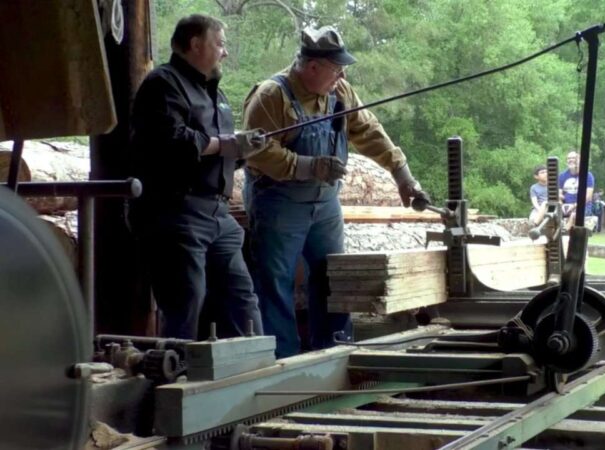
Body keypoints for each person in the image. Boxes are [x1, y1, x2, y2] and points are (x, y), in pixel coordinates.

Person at [242, 26, 430, 358]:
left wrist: (403, 176)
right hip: (279, 202)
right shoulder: (272, 96)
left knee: (332, 278)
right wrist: (308, 166)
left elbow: (368, 129)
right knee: (275, 283)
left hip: (325, 203)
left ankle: (336, 354)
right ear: (312, 66)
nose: (342, 73)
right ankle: (281, 364)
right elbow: (257, 151)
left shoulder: (339, 91)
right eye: (336, 67)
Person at [129, 14, 266, 340]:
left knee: (242, 300)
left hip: (218, 213)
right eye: (220, 43)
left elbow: (220, 155)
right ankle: (172, 380)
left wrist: (243, 150)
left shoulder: (217, 95)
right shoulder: (162, 83)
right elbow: (170, 141)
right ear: (195, 44)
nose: (225, 52)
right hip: (176, 211)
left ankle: (254, 371)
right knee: (186, 302)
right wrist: (225, 144)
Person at [557, 151, 595, 231]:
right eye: (568, 158)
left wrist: (574, 205)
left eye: (573, 158)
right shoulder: (562, 176)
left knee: (574, 214)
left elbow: (588, 197)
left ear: (579, 160)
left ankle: (565, 231)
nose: (571, 160)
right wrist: (561, 204)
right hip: (565, 206)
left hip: (583, 206)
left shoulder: (587, 175)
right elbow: (558, 194)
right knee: (551, 213)